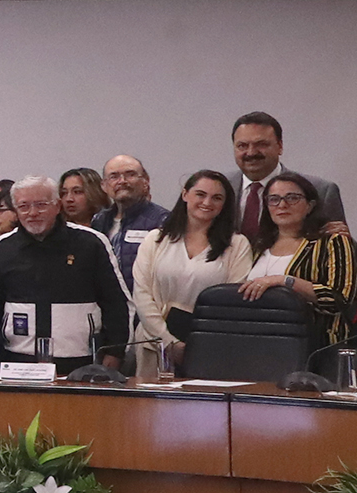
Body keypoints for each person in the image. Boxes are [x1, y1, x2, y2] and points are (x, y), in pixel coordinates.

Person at [0, 175, 129, 372]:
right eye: (24, 206)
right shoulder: (0, 249)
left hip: (81, 359)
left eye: (41, 205)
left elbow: (115, 302)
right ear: (16, 210)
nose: (32, 213)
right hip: (17, 360)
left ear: (57, 206)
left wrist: (115, 351)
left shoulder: (91, 243)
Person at [131, 169, 253, 374]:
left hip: (208, 346)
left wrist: (198, 345)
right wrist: (169, 342)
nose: (207, 202)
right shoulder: (155, 240)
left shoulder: (237, 245)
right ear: (185, 194)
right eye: (200, 194)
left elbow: (232, 300)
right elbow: (142, 295)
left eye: (217, 198)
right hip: (154, 342)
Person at [238, 172, 354, 347]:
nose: (282, 205)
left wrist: (285, 281)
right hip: (258, 342)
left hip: (316, 346)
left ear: (310, 206)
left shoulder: (333, 241)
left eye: (292, 198)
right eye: (274, 199)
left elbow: (341, 300)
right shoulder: (258, 245)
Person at [232, 111, 346, 241]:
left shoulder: (321, 191)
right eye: (242, 146)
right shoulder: (219, 190)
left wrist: (341, 237)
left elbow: (341, 245)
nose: (251, 152)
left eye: (261, 144)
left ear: (280, 146)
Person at [92, 154, 168, 285]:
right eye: (114, 176)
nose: (122, 181)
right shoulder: (99, 220)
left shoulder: (163, 220)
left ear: (145, 181)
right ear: (104, 186)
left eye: (130, 175)